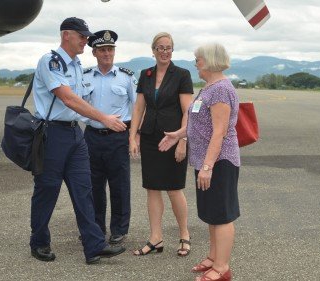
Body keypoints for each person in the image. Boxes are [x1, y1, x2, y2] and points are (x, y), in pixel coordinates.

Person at [30, 17, 126, 264]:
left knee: (84, 191)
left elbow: (84, 102)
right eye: (82, 36)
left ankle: (94, 245)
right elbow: (69, 99)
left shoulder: (76, 65)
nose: (86, 40)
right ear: (66, 36)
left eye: (86, 36)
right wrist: (103, 118)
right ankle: (39, 242)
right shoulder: (51, 62)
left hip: (75, 134)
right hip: (52, 135)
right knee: (47, 190)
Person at [159, 43, 239, 281]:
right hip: (206, 161)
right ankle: (214, 258)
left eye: (198, 59)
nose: (196, 63)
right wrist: (179, 134)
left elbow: (219, 132)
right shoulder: (208, 88)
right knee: (212, 213)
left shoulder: (221, 89)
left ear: (211, 60)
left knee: (222, 215)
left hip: (219, 161)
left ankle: (222, 268)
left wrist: (207, 167)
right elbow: (198, 123)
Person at [129, 32, 193, 256]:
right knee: (152, 188)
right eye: (160, 47)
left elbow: (188, 110)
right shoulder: (145, 74)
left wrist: (182, 140)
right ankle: (156, 237)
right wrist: (133, 136)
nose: (165, 51)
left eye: (169, 48)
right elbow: (139, 108)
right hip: (150, 138)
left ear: (172, 51)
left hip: (173, 137)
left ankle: (184, 234)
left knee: (174, 188)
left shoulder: (182, 74)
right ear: (153, 50)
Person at [82, 30, 137, 244]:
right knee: (93, 185)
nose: (107, 53)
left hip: (118, 137)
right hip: (92, 137)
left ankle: (119, 229)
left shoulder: (126, 76)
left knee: (119, 185)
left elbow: (137, 108)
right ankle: (96, 228)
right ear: (94, 52)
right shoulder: (85, 77)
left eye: (110, 49)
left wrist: (134, 136)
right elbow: (78, 105)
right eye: (103, 50)